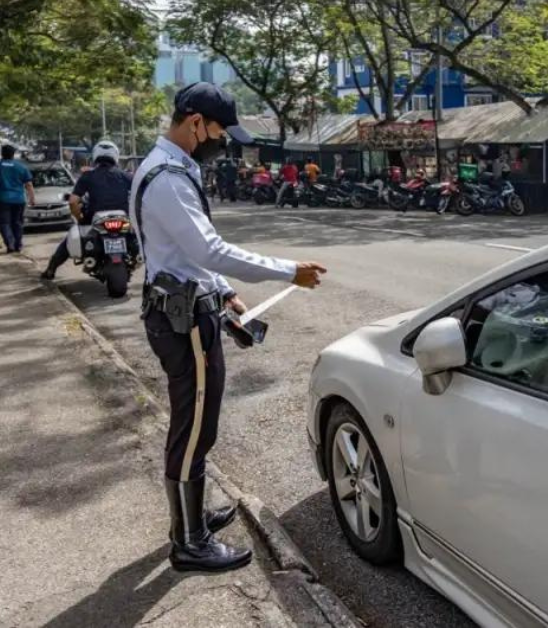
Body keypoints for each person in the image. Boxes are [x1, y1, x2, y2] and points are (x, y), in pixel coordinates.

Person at [130, 82, 326, 573]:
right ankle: (189, 544)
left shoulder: (166, 168)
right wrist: (288, 271)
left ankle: (190, 522)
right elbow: (209, 250)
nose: (221, 140)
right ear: (195, 122)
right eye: (218, 130)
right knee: (194, 426)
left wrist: (225, 292)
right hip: (182, 322)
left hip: (187, 306)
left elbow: (188, 256)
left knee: (196, 422)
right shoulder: (170, 178)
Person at [41, 141, 132, 280]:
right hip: (123, 219)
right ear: (116, 156)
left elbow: (72, 201)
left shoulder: (88, 176)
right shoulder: (126, 176)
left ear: (95, 155)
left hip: (95, 219)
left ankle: (51, 269)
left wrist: (80, 219)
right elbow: (142, 196)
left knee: (68, 241)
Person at [0, 144, 35, 253]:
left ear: (2, 154)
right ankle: (18, 245)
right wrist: (32, 198)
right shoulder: (21, 167)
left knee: (5, 223)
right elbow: (29, 184)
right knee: (17, 222)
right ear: (13, 154)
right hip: (19, 199)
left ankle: (10, 244)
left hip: (3, 199)